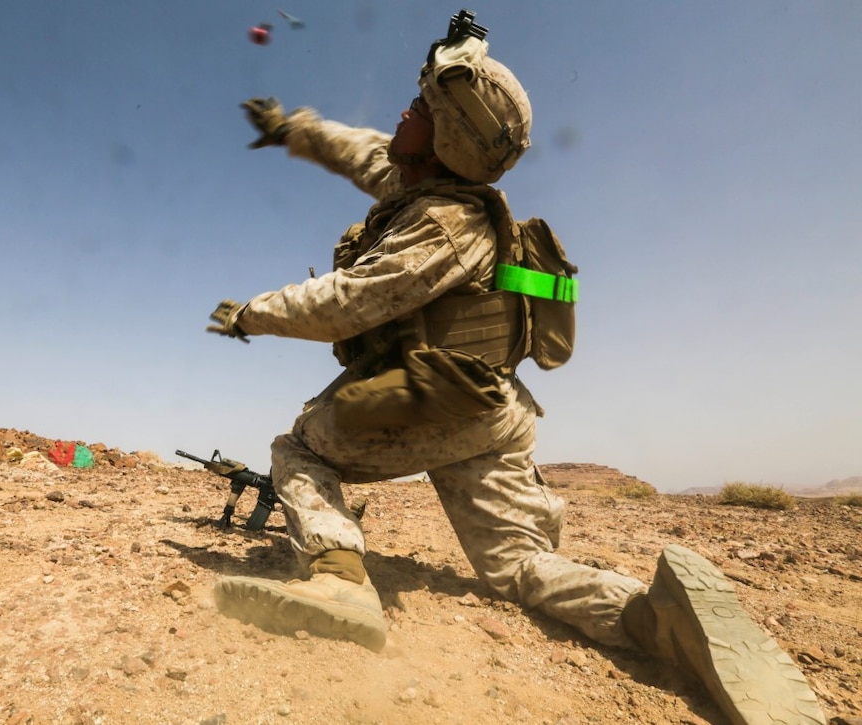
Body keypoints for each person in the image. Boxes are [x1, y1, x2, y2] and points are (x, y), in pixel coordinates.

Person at [205, 10, 826, 725]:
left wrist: (249, 312)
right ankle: (653, 620)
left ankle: (341, 581)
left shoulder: (443, 224)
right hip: (496, 413)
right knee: (516, 566)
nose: (402, 112)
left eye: (420, 107)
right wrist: (295, 129)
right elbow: (363, 152)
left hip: (431, 402)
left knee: (301, 446)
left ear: (445, 138)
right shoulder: (429, 186)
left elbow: (346, 304)